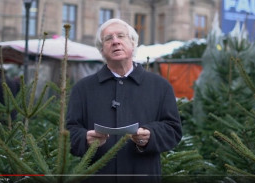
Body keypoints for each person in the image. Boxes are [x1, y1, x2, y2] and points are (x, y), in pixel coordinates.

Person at [66, 18, 182, 183]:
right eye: (108, 38)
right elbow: (69, 132)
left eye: (121, 36)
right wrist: (85, 139)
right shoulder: (82, 88)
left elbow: (173, 130)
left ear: (133, 43)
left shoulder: (160, 86)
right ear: (102, 50)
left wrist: (151, 135)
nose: (115, 42)